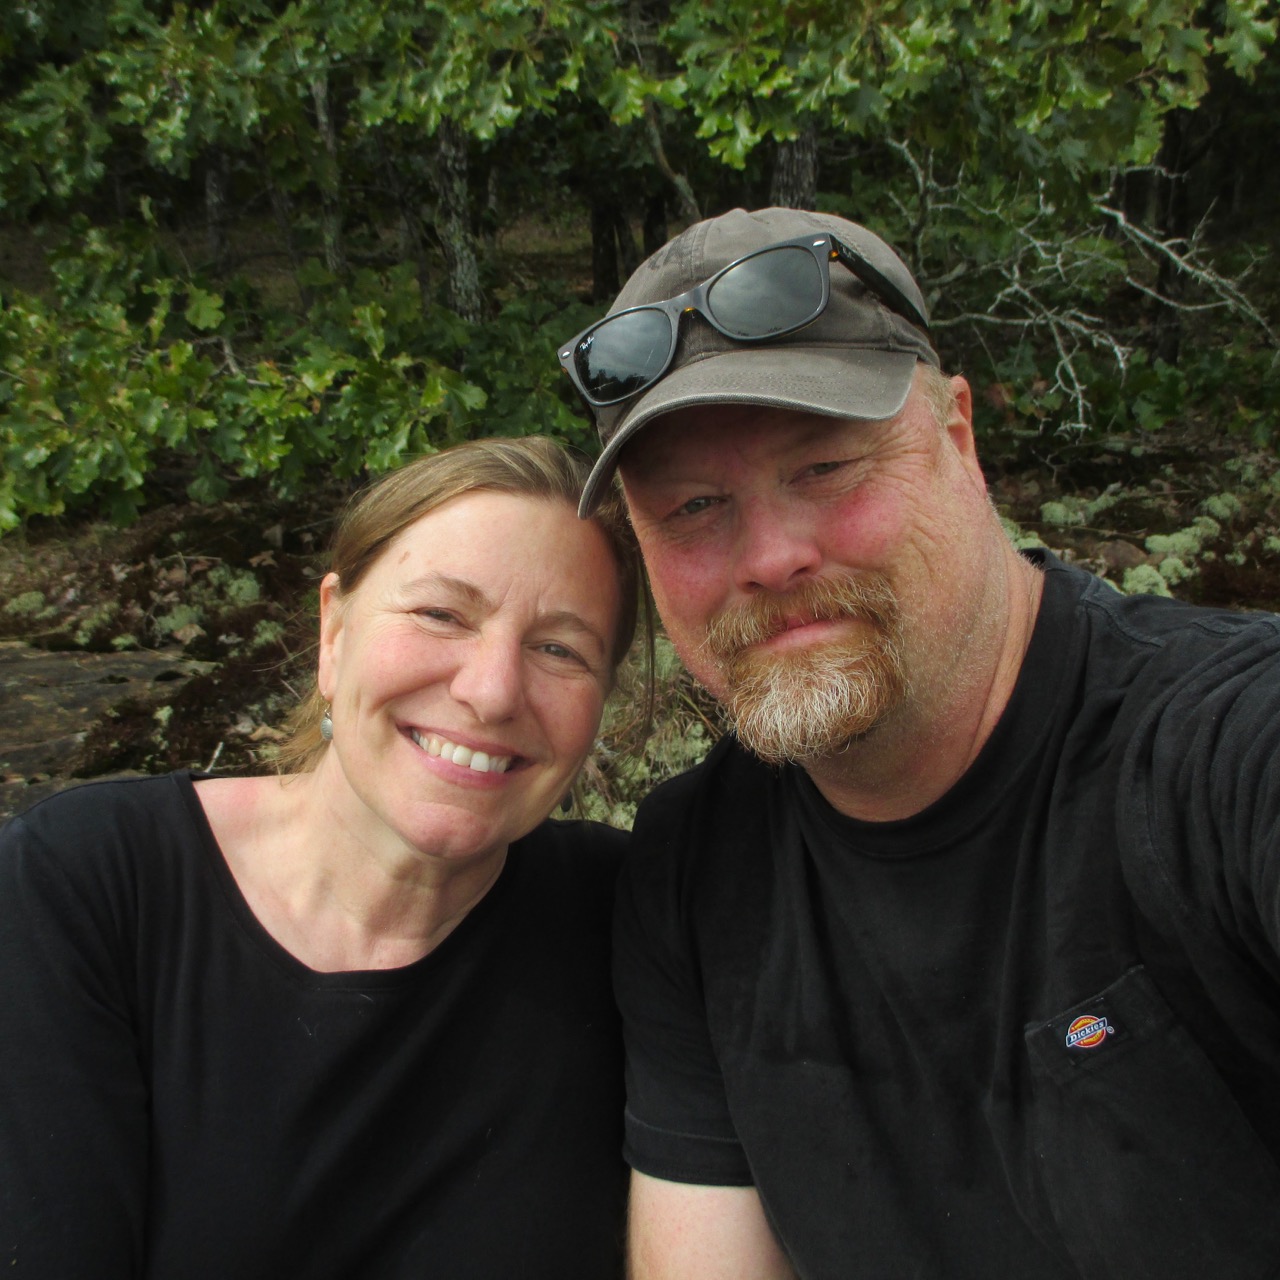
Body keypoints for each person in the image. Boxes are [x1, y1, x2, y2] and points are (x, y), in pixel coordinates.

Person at [561, 207, 1280, 1279]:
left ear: (959, 439)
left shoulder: (1216, 750)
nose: (769, 555)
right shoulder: (691, 869)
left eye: (823, 466)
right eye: (695, 505)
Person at [0, 436, 642, 1279]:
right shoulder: (88, 886)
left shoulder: (634, 915)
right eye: (440, 614)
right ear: (333, 631)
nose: (491, 691)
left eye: (560, 649)